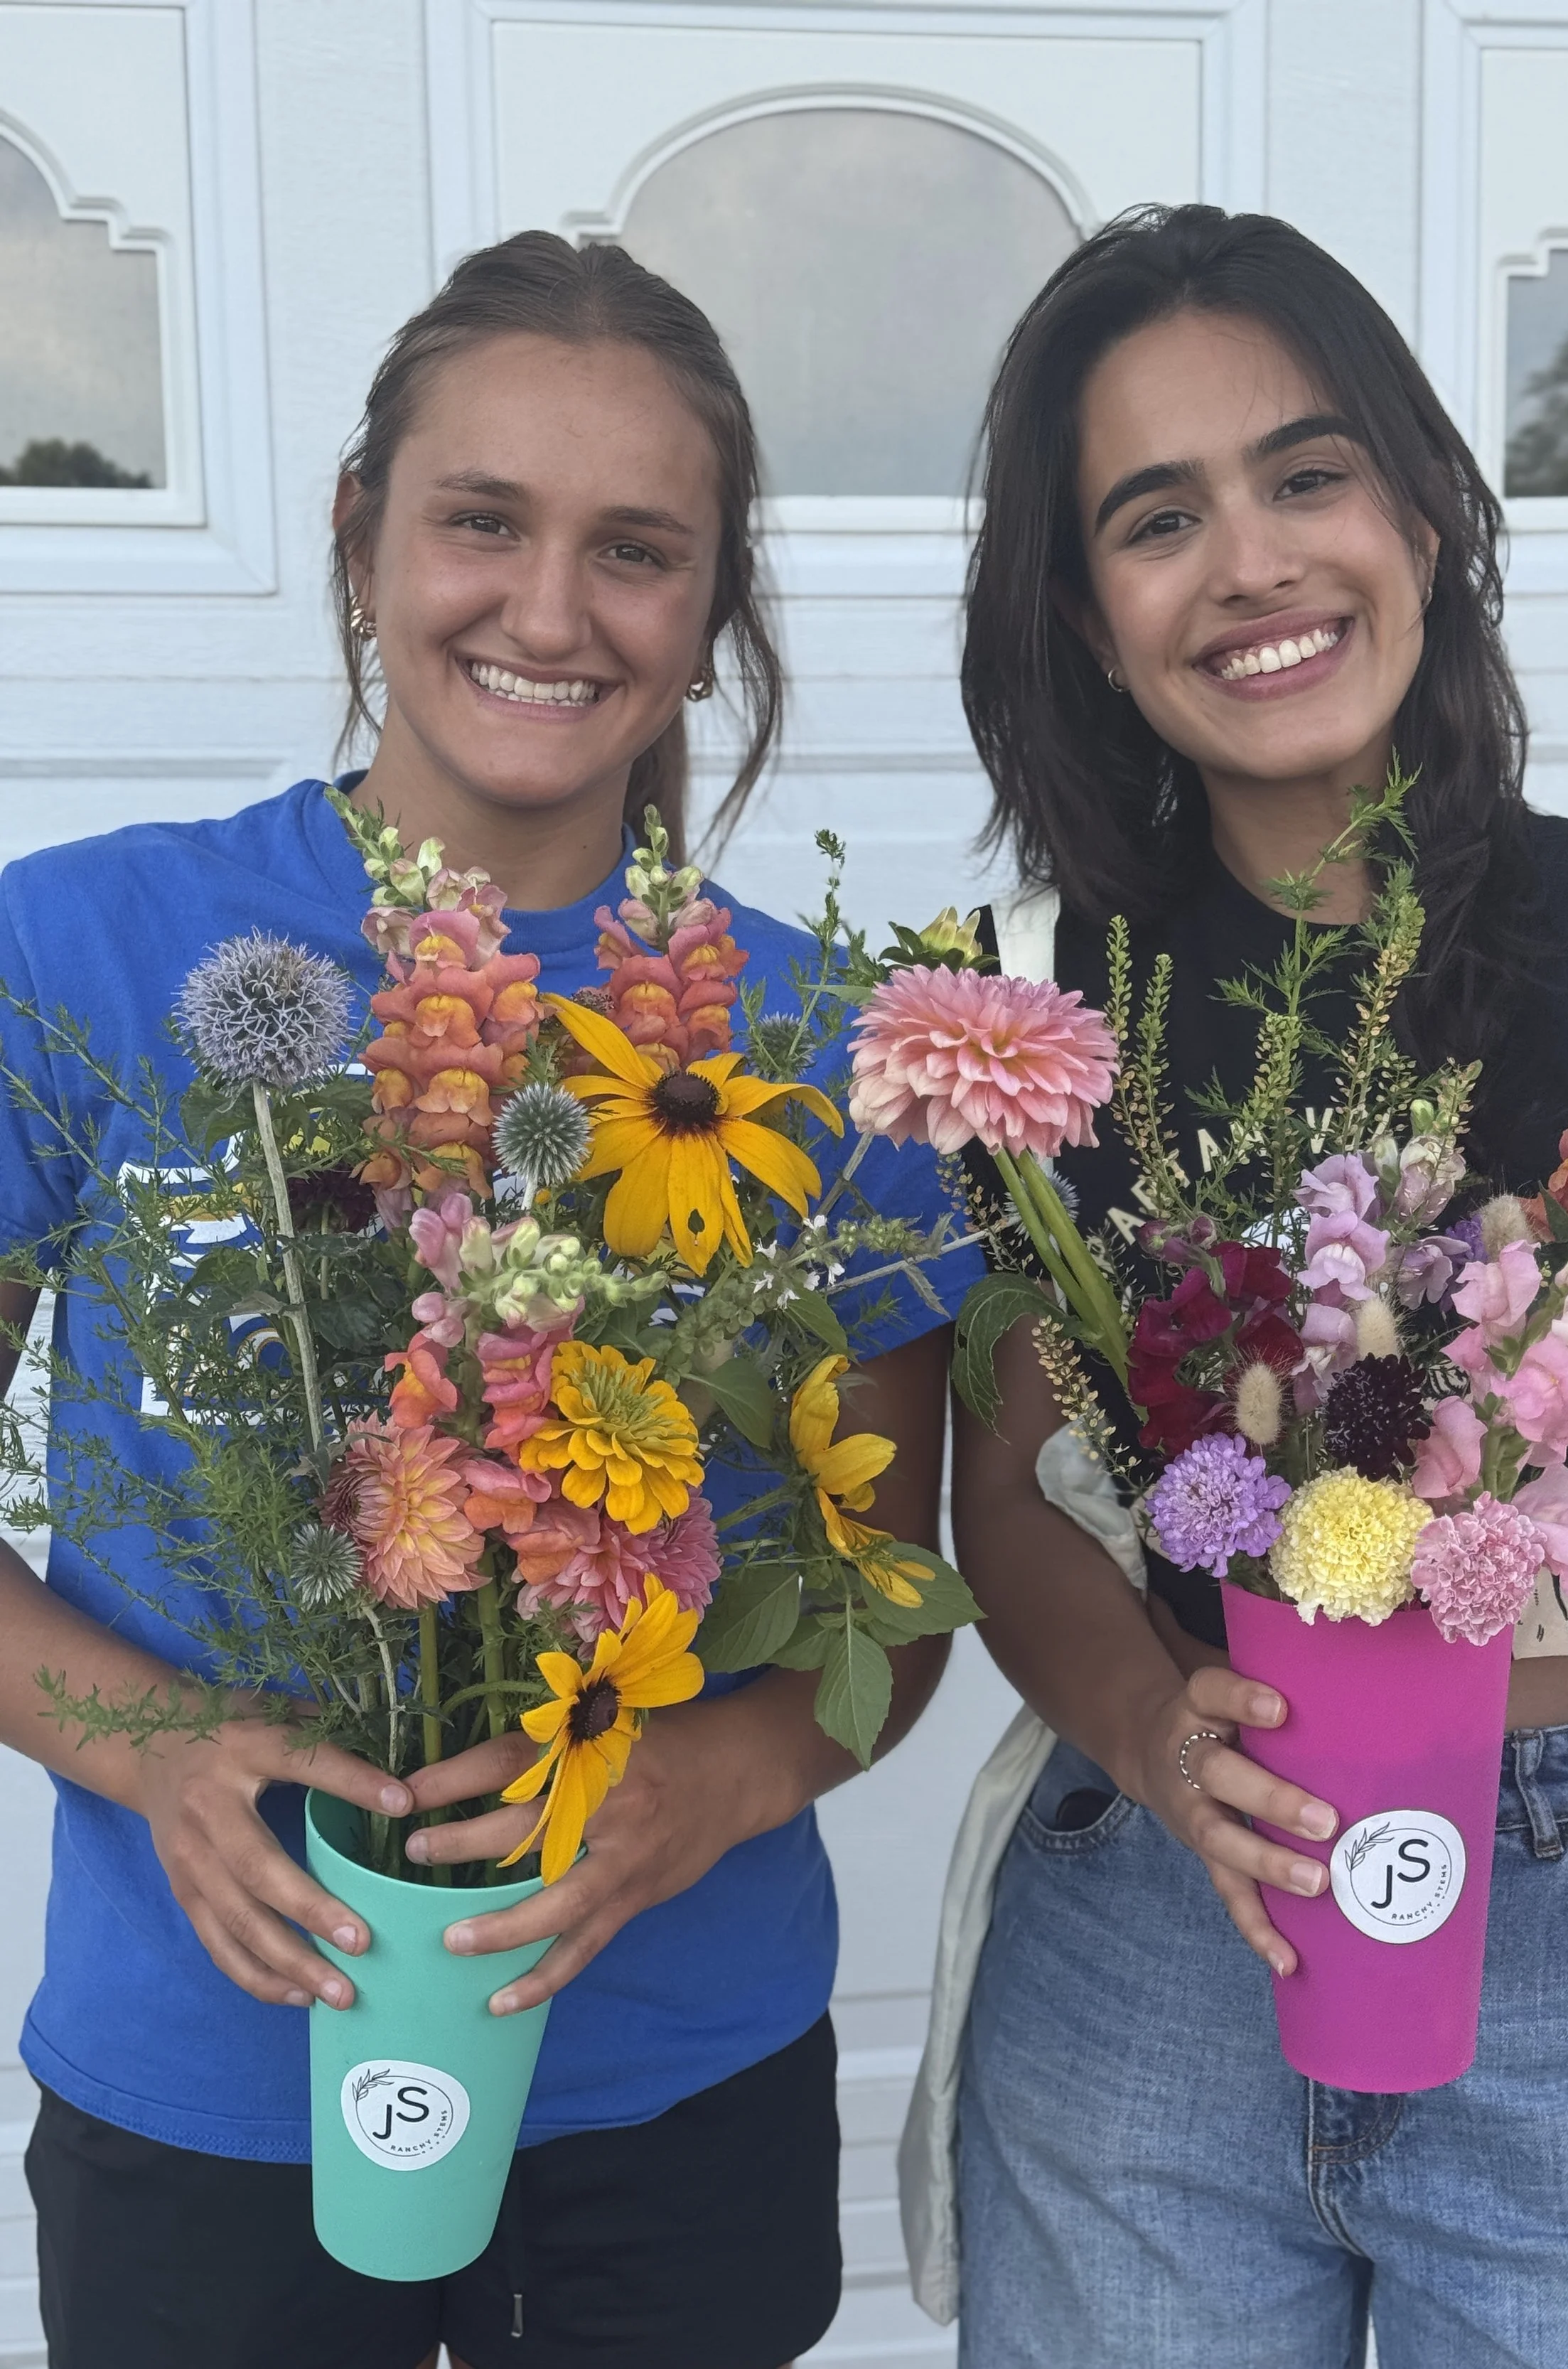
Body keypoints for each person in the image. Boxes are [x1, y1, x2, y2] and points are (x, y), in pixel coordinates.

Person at [0, 232, 974, 2369]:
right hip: (212, 2081)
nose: (546, 612)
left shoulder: (830, 1047)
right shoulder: (76, 956)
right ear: (362, 541)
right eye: (479, 522)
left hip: (674, 2086)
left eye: (634, 550)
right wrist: (157, 1749)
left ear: (711, 612)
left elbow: (886, 1598)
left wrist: (700, 1784)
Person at [941, 204, 1568, 2366]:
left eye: (1303, 475)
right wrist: (1139, 1717)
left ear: (1416, 503)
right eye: (1154, 516)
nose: (1249, 562)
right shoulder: (1049, 1012)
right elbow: (1017, 1499)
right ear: (1082, 608)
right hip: (1155, 1918)